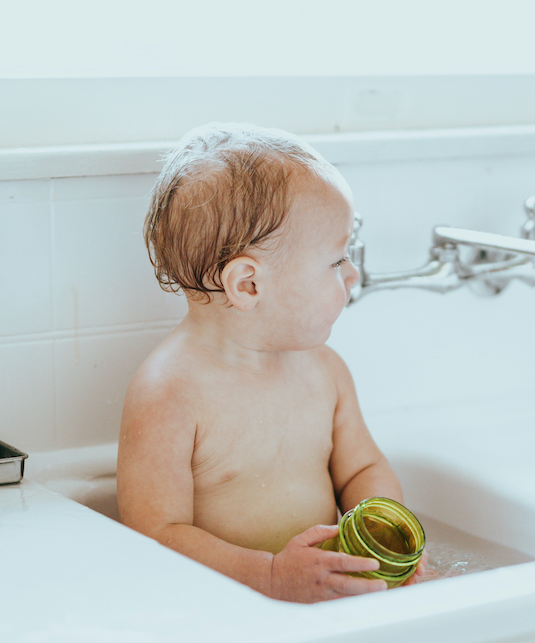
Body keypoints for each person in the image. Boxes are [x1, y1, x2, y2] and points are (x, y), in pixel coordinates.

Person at [117, 122, 425, 603]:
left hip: (329, 597)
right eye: (336, 261)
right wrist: (268, 575)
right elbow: (156, 533)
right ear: (248, 285)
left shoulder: (325, 371)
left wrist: (381, 527)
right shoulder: (170, 391)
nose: (353, 273)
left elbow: (362, 467)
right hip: (232, 607)